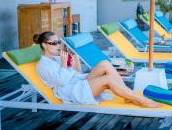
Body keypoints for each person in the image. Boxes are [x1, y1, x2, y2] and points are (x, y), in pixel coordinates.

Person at [33, 31, 161, 108]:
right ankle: (142, 101)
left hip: (78, 82)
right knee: (108, 79)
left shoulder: (56, 59)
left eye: (59, 42)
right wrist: (64, 64)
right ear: (44, 45)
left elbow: (76, 73)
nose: (58, 45)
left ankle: (128, 96)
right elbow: (61, 82)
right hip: (72, 92)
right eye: (54, 43)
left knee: (105, 63)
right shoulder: (43, 66)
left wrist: (74, 60)